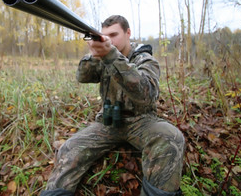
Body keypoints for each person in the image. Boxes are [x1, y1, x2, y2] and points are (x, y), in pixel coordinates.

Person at [40, 15, 185, 196]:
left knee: (171, 138)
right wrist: (95, 54)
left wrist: (111, 55)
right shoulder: (104, 57)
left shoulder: (145, 60)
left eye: (114, 34)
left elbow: (146, 95)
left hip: (141, 122)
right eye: (105, 35)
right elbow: (83, 77)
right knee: (69, 148)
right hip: (107, 122)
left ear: (128, 33)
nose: (110, 40)